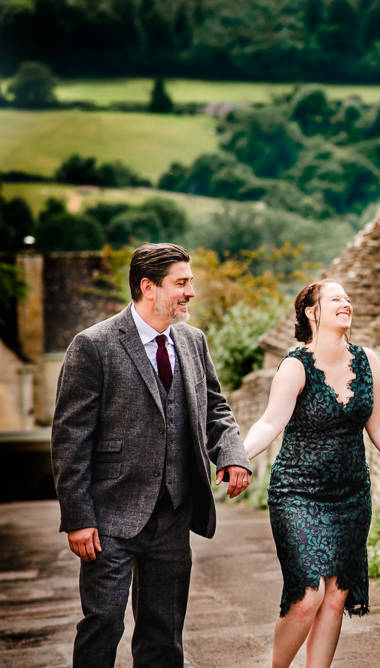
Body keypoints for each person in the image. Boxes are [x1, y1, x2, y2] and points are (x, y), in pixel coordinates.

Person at [51, 243, 253, 668]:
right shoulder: (93, 345)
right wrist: (78, 517)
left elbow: (215, 406)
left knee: (164, 634)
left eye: (190, 282)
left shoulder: (193, 340)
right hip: (110, 515)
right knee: (102, 625)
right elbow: (70, 437)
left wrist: (232, 455)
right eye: (181, 283)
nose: (191, 292)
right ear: (148, 287)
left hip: (173, 514)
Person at [242, 278, 380, 668]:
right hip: (298, 493)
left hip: (350, 495)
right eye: (335, 299)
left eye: (347, 298)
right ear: (313, 312)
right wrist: (236, 457)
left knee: (335, 596)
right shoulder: (296, 367)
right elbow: (268, 423)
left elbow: (379, 426)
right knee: (307, 595)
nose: (346, 304)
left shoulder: (368, 361)